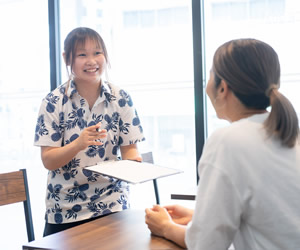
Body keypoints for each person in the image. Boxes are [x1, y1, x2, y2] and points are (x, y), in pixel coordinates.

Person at [145, 38, 300, 249]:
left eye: (210, 75)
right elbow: (275, 218)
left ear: (222, 88)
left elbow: (205, 245)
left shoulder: (229, 141)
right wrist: (199, 218)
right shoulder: (286, 130)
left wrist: (165, 227)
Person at [34, 27, 145, 236]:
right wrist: (78, 143)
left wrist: (134, 164)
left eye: (97, 52)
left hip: (112, 203)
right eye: (82, 55)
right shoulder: (53, 102)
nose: (91, 61)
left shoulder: (120, 98)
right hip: (65, 209)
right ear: (67, 59)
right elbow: (48, 160)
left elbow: (130, 150)